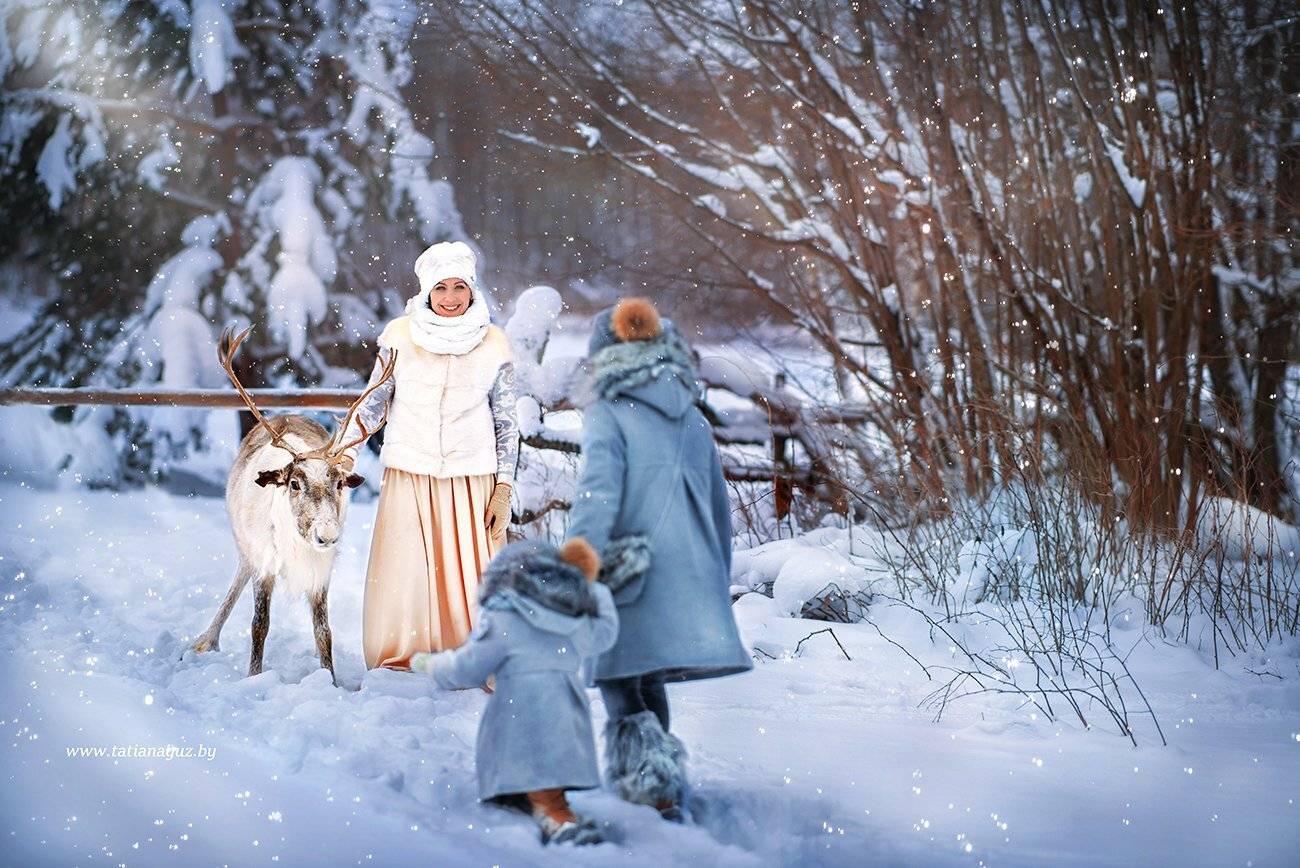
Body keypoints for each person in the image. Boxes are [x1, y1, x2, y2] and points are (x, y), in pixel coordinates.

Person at [566, 297, 752, 820]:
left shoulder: (608, 413)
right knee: (645, 675)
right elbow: (718, 503)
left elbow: (597, 496)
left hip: (628, 566)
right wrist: (715, 571)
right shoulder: (692, 415)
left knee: (619, 675)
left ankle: (650, 788)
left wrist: (577, 561)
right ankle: (661, 780)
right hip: (684, 570)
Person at [338, 241, 518, 670]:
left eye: (460, 287)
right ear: (426, 291)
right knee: (407, 573)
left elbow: (507, 422)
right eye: (442, 288)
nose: (452, 297)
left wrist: (504, 489)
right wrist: (342, 453)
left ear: (473, 289)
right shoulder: (400, 336)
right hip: (410, 474)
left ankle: (475, 655)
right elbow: (374, 402)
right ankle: (405, 656)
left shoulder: (494, 343)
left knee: (472, 578)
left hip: (472, 479)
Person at [410, 537, 618, 845]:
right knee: (550, 774)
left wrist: (432, 665)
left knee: (532, 769)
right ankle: (550, 807)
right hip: (568, 716)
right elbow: (605, 635)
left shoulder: (503, 616)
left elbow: (467, 668)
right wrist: (592, 588)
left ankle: (558, 820)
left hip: (520, 713)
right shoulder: (572, 619)